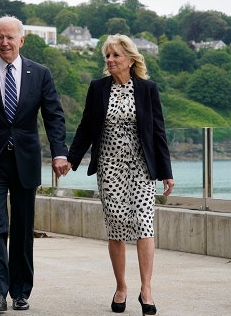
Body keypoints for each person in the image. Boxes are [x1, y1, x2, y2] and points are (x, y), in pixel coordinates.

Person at [0, 16, 69, 313]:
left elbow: (54, 117)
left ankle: (21, 291)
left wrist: (60, 153)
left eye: (10, 37)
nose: (4, 42)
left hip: (26, 160)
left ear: (21, 40)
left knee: (22, 228)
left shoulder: (41, 73)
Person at [67, 34, 174, 315]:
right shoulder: (98, 88)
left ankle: (146, 289)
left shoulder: (148, 89)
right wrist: (71, 159)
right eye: (107, 56)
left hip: (141, 167)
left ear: (129, 58)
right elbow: (86, 126)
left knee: (144, 224)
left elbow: (158, 132)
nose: (110, 60)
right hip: (110, 166)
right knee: (116, 224)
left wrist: (166, 172)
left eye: (115, 55)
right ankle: (121, 287)